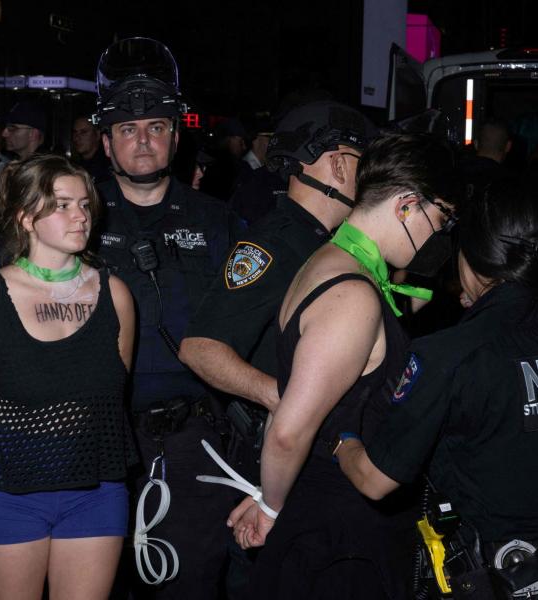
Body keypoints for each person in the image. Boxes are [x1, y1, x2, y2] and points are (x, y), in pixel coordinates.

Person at [229, 133, 459, 599]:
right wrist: (269, 506)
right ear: (407, 206)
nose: (443, 234)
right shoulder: (351, 294)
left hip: (328, 516)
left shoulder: (334, 261)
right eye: (443, 217)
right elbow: (289, 429)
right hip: (337, 534)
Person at [336, 179, 538, 599]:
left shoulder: (448, 354)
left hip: (501, 578)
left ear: (474, 255)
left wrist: (343, 437)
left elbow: (375, 481)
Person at [179, 100, 378, 595]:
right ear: (335, 163)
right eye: (365, 163)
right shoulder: (273, 246)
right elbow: (200, 346)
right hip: (274, 469)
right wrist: (282, 399)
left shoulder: (340, 244)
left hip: (324, 467)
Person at [91, 37, 245, 598]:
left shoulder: (218, 222)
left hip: (193, 437)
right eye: (127, 130)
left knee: (192, 581)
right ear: (106, 143)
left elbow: (250, 324)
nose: (142, 141)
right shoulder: (75, 218)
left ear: (176, 138)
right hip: (99, 438)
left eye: (156, 127)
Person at [0, 154, 136, 600]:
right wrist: (26, 449)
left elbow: (114, 389)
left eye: (85, 205)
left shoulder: (115, 293)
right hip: (8, 489)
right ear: (26, 217)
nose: (80, 216)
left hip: (95, 486)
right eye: (62, 205)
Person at [0, 102, 46, 197]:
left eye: (12, 128)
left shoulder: (45, 172)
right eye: (5, 128)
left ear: (33, 134)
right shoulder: (14, 166)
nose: (4, 134)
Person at [71, 115, 110, 183]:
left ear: (97, 135)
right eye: (75, 132)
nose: (77, 138)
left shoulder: (107, 169)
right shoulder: (73, 165)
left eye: (83, 132)